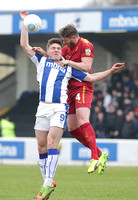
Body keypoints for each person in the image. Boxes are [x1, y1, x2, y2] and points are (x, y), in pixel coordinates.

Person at [20, 10, 125, 200]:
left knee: (53, 141)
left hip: (59, 107)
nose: (58, 50)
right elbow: (24, 44)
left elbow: (90, 75)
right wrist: (25, 24)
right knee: (41, 146)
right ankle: (48, 181)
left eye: (59, 48)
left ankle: (48, 184)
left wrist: (110, 71)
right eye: (54, 48)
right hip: (42, 108)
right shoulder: (41, 61)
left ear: (62, 50)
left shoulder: (68, 65)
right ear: (48, 50)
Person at [33, 24, 109, 175]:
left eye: (66, 40)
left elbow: (86, 67)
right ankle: (100, 153)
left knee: (82, 120)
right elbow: (58, 61)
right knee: (73, 129)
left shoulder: (86, 45)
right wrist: (46, 54)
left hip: (82, 85)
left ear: (74, 37)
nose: (64, 44)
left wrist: (69, 62)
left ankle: (94, 158)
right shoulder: (66, 49)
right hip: (68, 89)